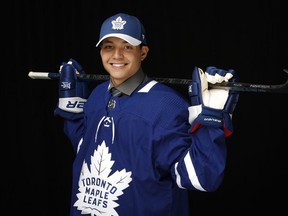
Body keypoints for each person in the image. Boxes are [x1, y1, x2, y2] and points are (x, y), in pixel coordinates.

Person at [54, 12, 239, 216]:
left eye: (127, 46)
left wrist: (210, 122)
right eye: (109, 46)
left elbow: (202, 177)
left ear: (143, 52)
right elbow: (85, 149)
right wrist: (72, 111)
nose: (116, 55)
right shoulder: (98, 95)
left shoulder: (168, 107)